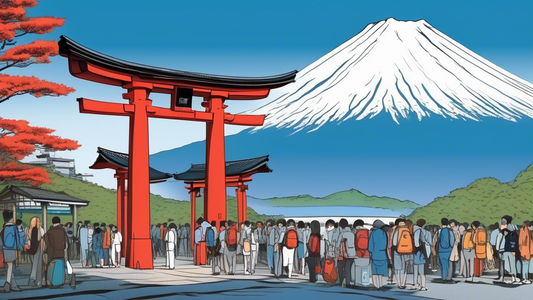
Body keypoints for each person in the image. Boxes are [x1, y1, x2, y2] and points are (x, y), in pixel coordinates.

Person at [43, 216, 70, 287]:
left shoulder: (49, 231)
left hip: (51, 253)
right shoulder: (62, 231)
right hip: (60, 252)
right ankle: (60, 281)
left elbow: (46, 242)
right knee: (60, 266)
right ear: (59, 222)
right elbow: (66, 243)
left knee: (51, 266)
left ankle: (49, 281)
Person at [1, 210, 23, 292]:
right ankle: (8, 284)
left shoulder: (3, 228)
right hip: (12, 249)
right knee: (10, 266)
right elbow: (17, 239)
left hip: (5, 249)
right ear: (11, 218)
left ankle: (13, 285)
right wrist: (20, 248)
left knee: (9, 266)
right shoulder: (14, 227)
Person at [497, 215, 520, 284]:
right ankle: (511, 277)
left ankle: (510, 277)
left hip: (507, 249)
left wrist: (513, 249)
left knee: (509, 264)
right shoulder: (511, 228)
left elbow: (512, 239)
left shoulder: (509, 229)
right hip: (507, 249)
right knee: (509, 264)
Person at [26, 216, 46, 287]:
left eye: (36, 221)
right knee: (35, 265)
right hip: (31, 249)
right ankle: (38, 280)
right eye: (34, 221)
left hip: (39, 248)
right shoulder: (28, 229)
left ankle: (34, 279)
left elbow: (43, 239)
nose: (35, 222)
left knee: (37, 265)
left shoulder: (40, 229)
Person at [368, 219, 388, 290]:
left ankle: (376, 285)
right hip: (383, 254)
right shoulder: (384, 233)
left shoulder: (373, 233)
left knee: (375, 271)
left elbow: (370, 245)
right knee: (381, 272)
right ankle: (380, 284)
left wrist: (370, 252)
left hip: (375, 254)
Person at [413, 219, 431, 291]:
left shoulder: (416, 231)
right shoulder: (427, 232)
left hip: (417, 252)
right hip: (423, 252)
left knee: (415, 269)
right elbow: (430, 242)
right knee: (422, 270)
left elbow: (416, 244)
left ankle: (416, 284)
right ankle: (423, 285)